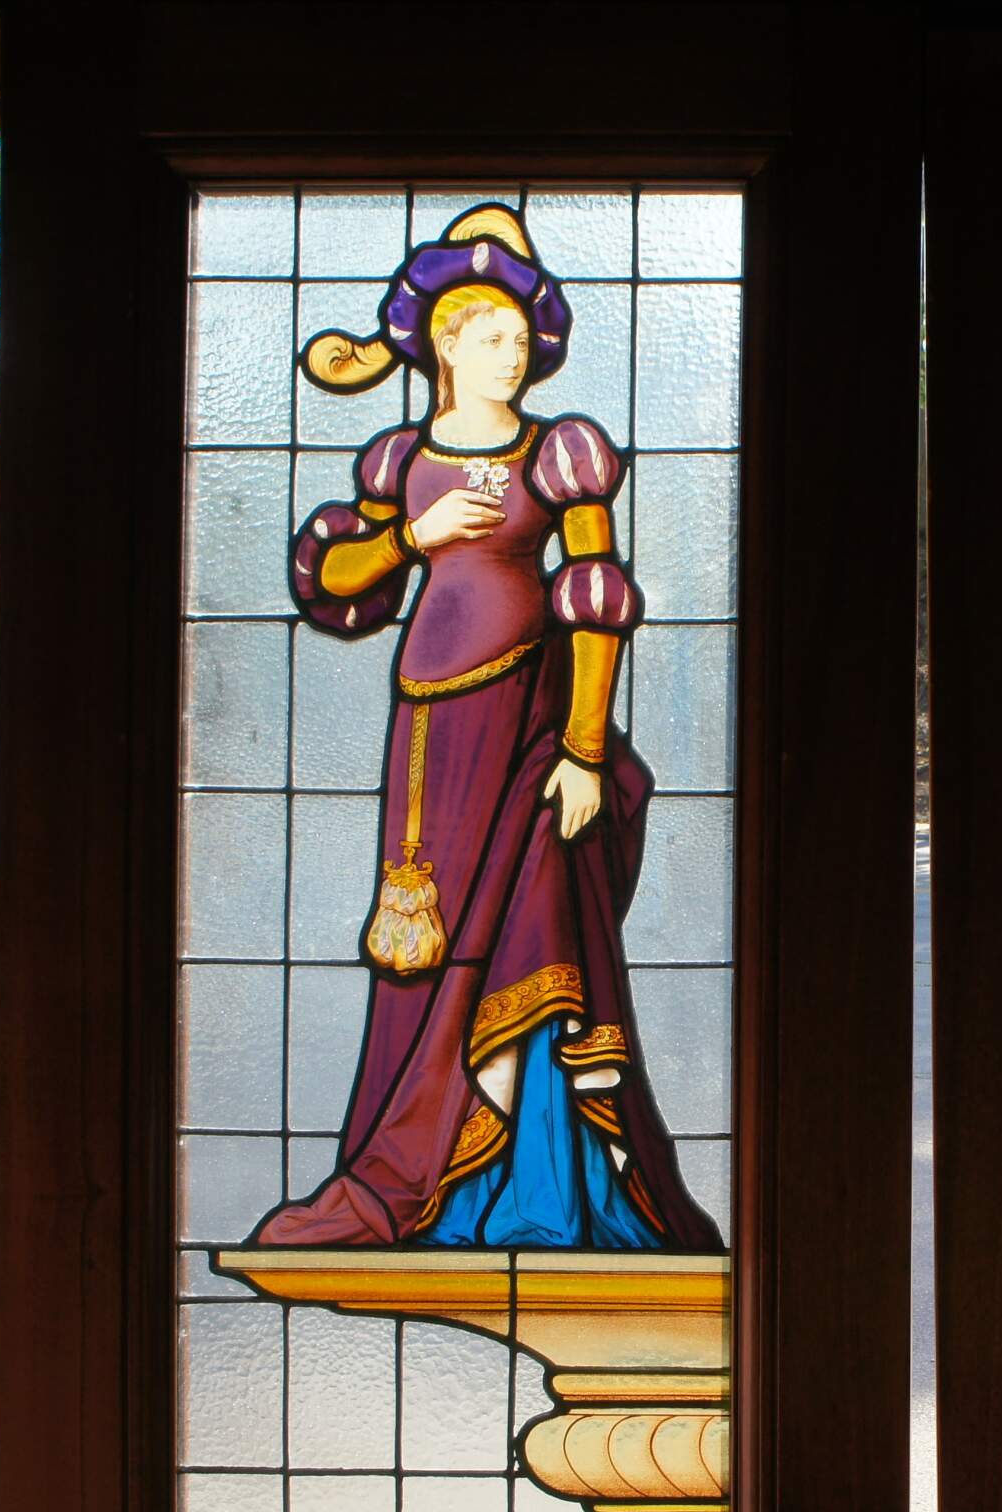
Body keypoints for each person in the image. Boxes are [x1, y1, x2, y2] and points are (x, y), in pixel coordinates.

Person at [252, 204, 718, 1253]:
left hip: (531, 722)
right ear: (445, 344)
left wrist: (586, 752)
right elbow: (338, 580)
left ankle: (540, 1189)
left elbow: (595, 597)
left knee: (527, 916)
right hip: (430, 736)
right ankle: (421, 1175)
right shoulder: (400, 461)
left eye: (520, 338)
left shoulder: (559, 453)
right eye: (491, 336)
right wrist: (412, 538)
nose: (513, 355)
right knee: (429, 945)